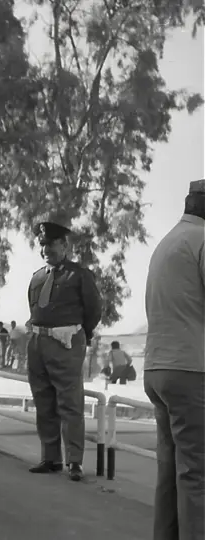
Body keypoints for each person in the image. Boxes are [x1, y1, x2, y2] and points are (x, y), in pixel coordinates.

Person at [143, 179, 204, 540]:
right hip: (190, 369)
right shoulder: (201, 240)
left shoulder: (167, 243)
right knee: (196, 473)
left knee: (170, 470)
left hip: (158, 367)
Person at [24, 219, 102, 482]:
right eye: (42, 245)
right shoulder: (36, 277)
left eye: (51, 244)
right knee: (43, 401)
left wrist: (80, 335)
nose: (46, 249)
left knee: (69, 404)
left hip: (65, 344)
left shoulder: (79, 275)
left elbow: (93, 311)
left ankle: (74, 462)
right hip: (38, 344)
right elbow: (34, 310)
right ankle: (50, 457)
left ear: (64, 244)